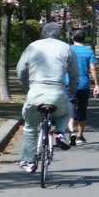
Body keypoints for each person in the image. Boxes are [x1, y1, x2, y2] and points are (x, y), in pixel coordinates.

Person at [16, 22, 79, 173]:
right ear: (59, 35)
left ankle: (30, 162)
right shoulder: (66, 48)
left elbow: (20, 69)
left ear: (42, 34)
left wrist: (25, 85)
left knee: (30, 127)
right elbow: (74, 74)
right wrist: (72, 89)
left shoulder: (32, 47)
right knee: (67, 110)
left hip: (35, 93)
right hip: (58, 92)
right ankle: (59, 133)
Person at [67, 30, 99, 144]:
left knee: (70, 108)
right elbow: (93, 69)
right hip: (84, 84)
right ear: (84, 39)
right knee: (82, 109)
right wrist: (96, 85)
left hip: (69, 83)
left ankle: (71, 132)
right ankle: (80, 136)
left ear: (72, 39)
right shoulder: (88, 51)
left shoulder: (67, 50)